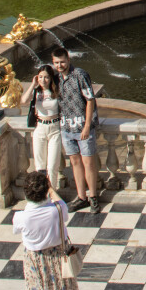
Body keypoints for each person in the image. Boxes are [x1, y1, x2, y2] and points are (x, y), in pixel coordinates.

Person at [12, 171, 85, 290]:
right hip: (59, 258)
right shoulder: (57, 210)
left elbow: (16, 230)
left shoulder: (21, 217)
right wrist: (51, 189)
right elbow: (61, 204)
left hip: (36, 262)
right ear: (46, 191)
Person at [52, 47, 100, 213]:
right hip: (66, 127)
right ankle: (81, 197)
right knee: (75, 163)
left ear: (68, 60)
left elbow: (90, 100)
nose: (60, 65)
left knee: (88, 163)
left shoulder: (80, 75)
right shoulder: (55, 78)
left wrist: (87, 125)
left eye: (62, 62)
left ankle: (93, 196)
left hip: (82, 127)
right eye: (57, 63)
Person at [22, 65, 64, 189]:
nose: (43, 80)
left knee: (52, 166)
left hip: (54, 128)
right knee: (40, 166)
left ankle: (52, 193)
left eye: (46, 77)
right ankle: (41, 194)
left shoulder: (56, 91)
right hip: (40, 128)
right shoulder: (36, 92)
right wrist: (32, 85)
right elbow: (24, 100)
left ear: (51, 78)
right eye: (40, 77)